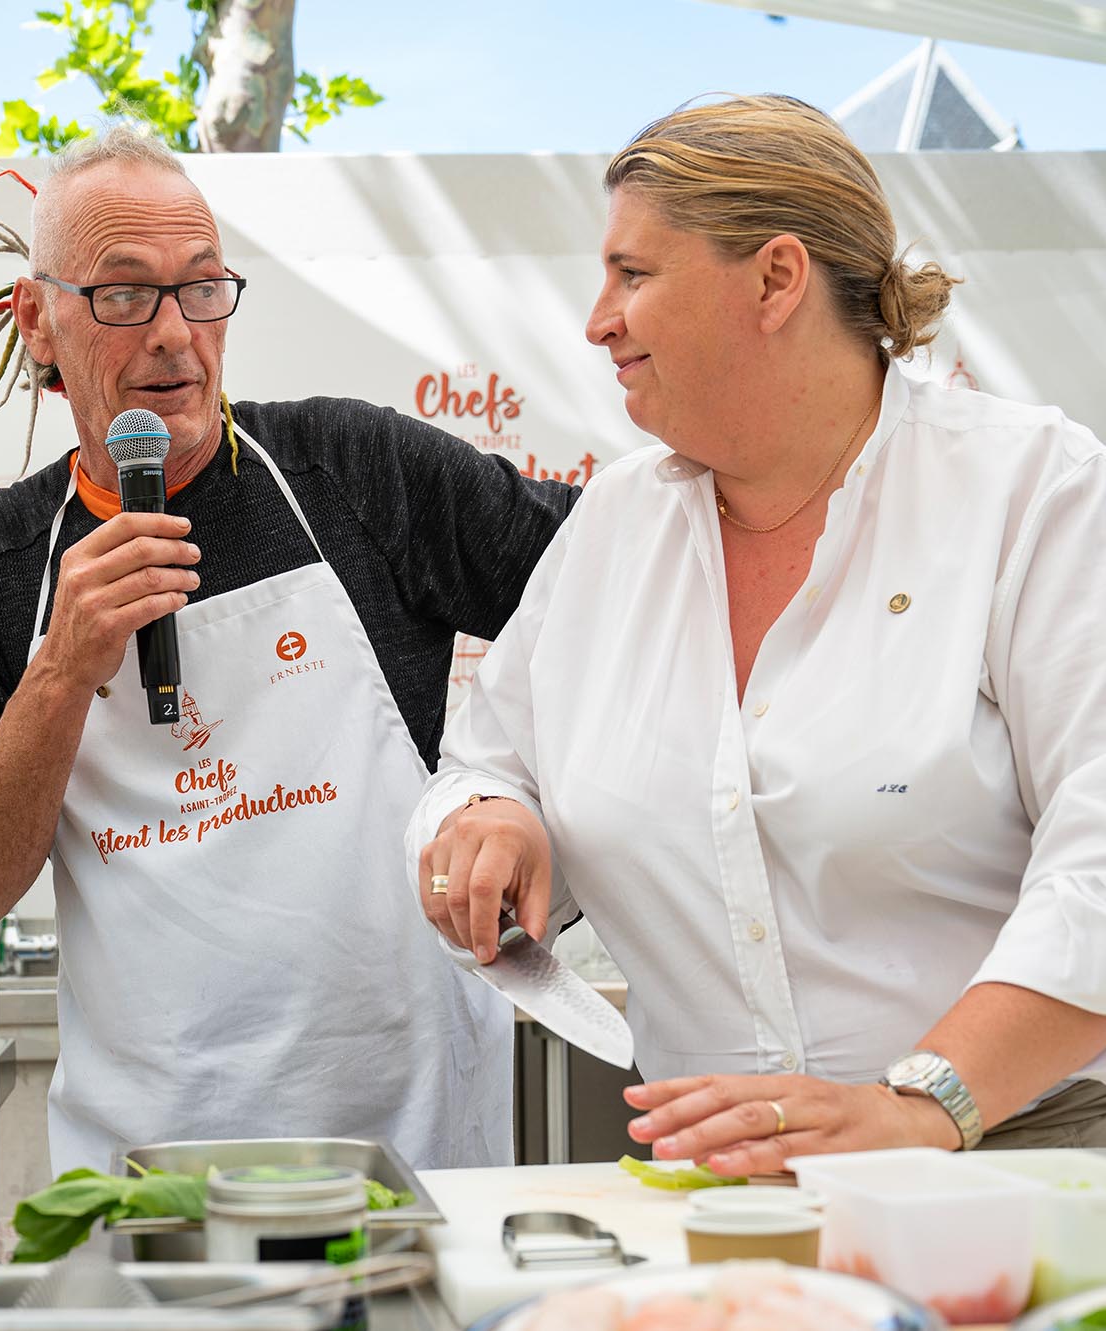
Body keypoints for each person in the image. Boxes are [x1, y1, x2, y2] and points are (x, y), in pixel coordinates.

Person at [411, 94, 1106, 1171]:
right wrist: (491, 822)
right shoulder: (616, 525)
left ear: (777, 278)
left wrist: (920, 1105)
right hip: (718, 1182)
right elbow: (485, 763)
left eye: (633, 274)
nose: (598, 319)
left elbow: (1097, 860)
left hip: (1023, 1159)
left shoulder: (1035, 493)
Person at [0, 126, 579, 1173]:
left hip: (411, 1140)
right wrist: (62, 668)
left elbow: (613, 584)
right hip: (149, 1164)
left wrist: (508, 792)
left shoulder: (353, 469)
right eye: (124, 294)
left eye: (203, 288)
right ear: (39, 320)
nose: (174, 335)